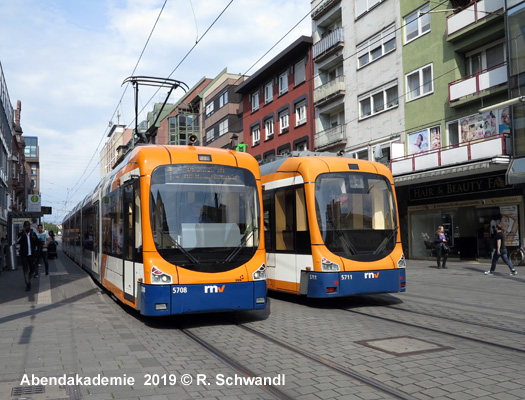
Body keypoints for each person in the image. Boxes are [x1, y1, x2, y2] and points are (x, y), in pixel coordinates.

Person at [17, 221, 39, 291]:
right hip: (24, 255)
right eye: (26, 226)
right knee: (25, 270)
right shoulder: (21, 234)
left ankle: (28, 279)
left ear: (30, 227)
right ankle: (28, 284)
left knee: (32, 270)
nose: (27, 227)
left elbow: (37, 242)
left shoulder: (33, 234)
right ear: (24, 227)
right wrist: (23, 234)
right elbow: (18, 241)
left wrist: (36, 239)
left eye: (28, 226)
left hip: (31, 255)